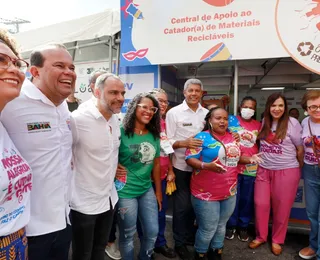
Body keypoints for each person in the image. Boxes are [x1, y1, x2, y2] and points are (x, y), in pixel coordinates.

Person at [1, 43, 76, 260]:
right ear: (35, 71)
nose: (69, 72)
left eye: (71, 67)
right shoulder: (12, 99)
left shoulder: (62, 106)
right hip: (27, 230)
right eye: (60, 66)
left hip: (63, 221)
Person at [185, 107, 262, 260]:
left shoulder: (234, 137)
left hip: (229, 191)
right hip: (205, 193)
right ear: (210, 120)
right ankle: (200, 253)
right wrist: (206, 166)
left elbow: (236, 158)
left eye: (225, 119)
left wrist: (250, 159)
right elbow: (189, 159)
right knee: (208, 228)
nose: (222, 121)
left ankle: (216, 252)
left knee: (221, 225)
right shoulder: (201, 137)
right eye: (218, 118)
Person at [70, 73, 125, 260]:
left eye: (122, 93)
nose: (120, 98)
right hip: (83, 203)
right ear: (97, 91)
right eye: (113, 93)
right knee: (83, 255)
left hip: (109, 199)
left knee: (99, 250)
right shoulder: (77, 119)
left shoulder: (115, 119)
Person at [249, 93, 303, 256]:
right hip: (264, 169)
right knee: (261, 204)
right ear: (268, 107)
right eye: (273, 105)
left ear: (285, 107)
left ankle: (277, 240)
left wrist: (297, 168)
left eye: (280, 105)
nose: (277, 109)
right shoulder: (265, 121)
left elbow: (300, 149)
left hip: (286, 171)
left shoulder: (292, 123)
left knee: (282, 207)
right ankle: (261, 236)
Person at [115, 93, 162, 260]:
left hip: (146, 189)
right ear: (134, 107)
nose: (149, 111)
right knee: (128, 234)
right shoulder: (120, 132)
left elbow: (156, 164)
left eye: (153, 109)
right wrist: (113, 168)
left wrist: (158, 191)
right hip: (125, 191)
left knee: (152, 231)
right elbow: (106, 156)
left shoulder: (154, 134)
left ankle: (145, 257)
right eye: (144, 107)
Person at [166, 78, 208, 260]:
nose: (193, 94)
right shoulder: (173, 113)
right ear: (184, 93)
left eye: (197, 91)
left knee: (195, 205)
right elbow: (166, 142)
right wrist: (185, 143)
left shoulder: (207, 113)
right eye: (190, 90)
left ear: (201, 93)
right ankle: (179, 243)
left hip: (201, 168)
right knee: (182, 207)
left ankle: (190, 237)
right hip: (181, 166)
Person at [0, 29, 32, 260]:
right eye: (1, 61)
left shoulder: (4, 126)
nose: (13, 69)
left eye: (17, 63)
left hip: (17, 243)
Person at [226, 96, 261, 242]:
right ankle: (230, 225)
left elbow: (261, 143)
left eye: (252, 107)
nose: (249, 109)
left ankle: (243, 226)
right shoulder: (230, 120)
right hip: (232, 165)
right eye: (246, 106)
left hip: (251, 167)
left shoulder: (258, 125)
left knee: (246, 198)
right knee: (232, 197)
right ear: (240, 107)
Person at [147, 89, 176, 258]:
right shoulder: (144, 123)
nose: (162, 104)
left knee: (160, 211)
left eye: (165, 101)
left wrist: (171, 170)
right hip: (147, 179)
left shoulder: (164, 124)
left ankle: (160, 243)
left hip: (163, 176)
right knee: (147, 216)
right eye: (158, 100)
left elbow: (167, 151)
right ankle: (147, 248)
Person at [298, 90, 320, 260]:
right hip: (310, 170)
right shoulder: (305, 122)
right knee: (312, 213)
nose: (317, 109)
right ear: (306, 108)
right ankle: (314, 245)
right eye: (313, 106)